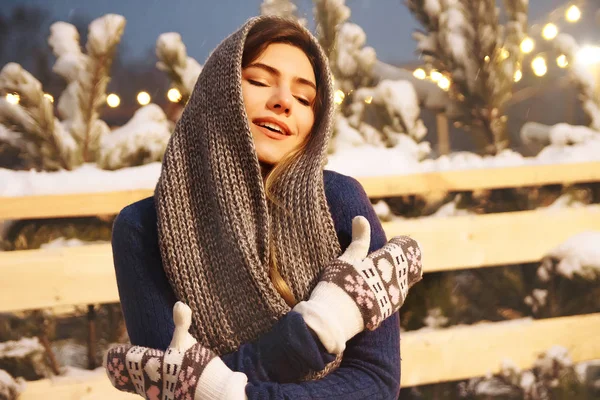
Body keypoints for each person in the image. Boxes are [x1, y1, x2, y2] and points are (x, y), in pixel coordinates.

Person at [104, 15, 422, 400]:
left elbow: (376, 381)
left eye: (305, 98)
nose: (284, 102)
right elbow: (174, 391)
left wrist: (229, 392)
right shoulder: (142, 228)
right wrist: (316, 331)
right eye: (258, 80)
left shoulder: (340, 203)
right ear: (218, 92)